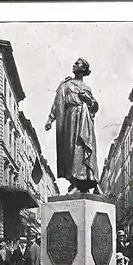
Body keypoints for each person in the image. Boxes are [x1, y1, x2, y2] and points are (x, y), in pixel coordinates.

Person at [45, 58, 102, 194]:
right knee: (71, 150)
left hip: (84, 119)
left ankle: (90, 181)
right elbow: (58, 103)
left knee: (85, 149)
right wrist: (50, 119)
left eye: (77, 63)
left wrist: (88, 100)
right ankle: (75, 182)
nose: (74, 65)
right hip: (70, 118)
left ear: (83, 68)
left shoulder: (87, 88)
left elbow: (94, 107)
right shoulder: (66, 84)